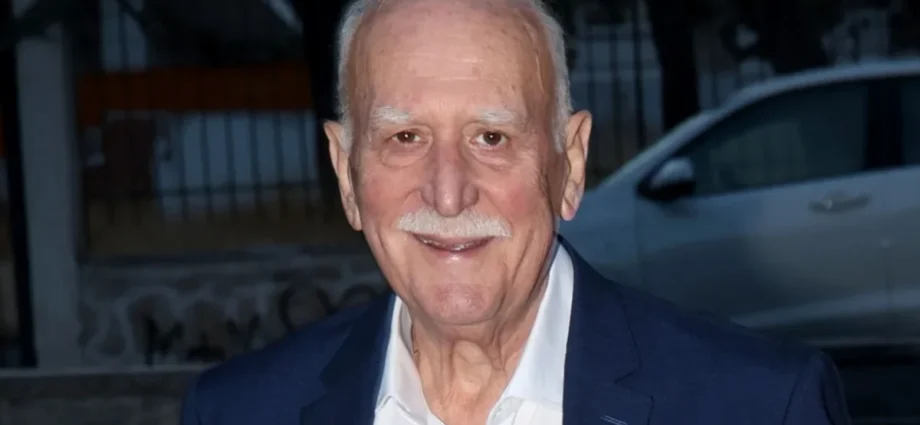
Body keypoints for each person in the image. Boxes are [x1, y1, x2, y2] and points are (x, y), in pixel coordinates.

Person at [179, 0, 851, 424]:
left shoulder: (761, 405)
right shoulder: (237, 412)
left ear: (570, 164)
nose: (448, 194)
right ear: (346, 174)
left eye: (492, 138)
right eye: (405, 137)